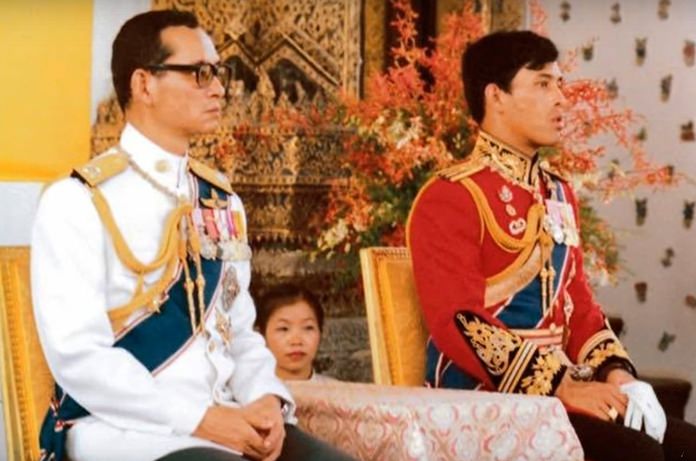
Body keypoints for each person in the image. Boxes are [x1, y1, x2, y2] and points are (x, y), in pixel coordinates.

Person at [31, 10, 354, 461]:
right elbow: (79, 357)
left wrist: (265, 399)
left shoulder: (222, 202)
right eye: (200, 73)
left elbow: (239, 332)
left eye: (217, 73)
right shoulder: (78, 201)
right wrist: (201, 419)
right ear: (144, 84)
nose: (220, 87)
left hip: (224, 419)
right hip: (125, 431)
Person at [407, 30, 696, 461]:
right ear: (496, 95)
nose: (561, 98)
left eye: (559, 84)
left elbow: (577, 304)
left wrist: (617, 373)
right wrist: (562, 385)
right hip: (483, 402)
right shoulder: (450, 196)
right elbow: (460, 320)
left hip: (559, 395)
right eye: (543, 84)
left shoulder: (557, 193)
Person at [255, 284, 337, 382]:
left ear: (321, 332)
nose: (296, 341)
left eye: (308, 328)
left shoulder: (342, 393)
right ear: (261, 336)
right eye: (283, 329)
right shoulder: (245, 395)